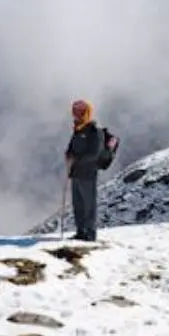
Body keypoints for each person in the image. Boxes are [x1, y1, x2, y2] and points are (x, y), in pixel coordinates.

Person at [64, 99, 103, 241]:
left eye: (81, 112)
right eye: (76, 111)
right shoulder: (77, 130)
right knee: (78, 204)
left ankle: (90, 234)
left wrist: (76, 158)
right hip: (76, 173)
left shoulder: (94, 132)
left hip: (88, 174)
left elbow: (94, 154)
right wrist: (69, 155)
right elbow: (71, 148)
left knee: (89, 204)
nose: (77, 115)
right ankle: (81, 232)